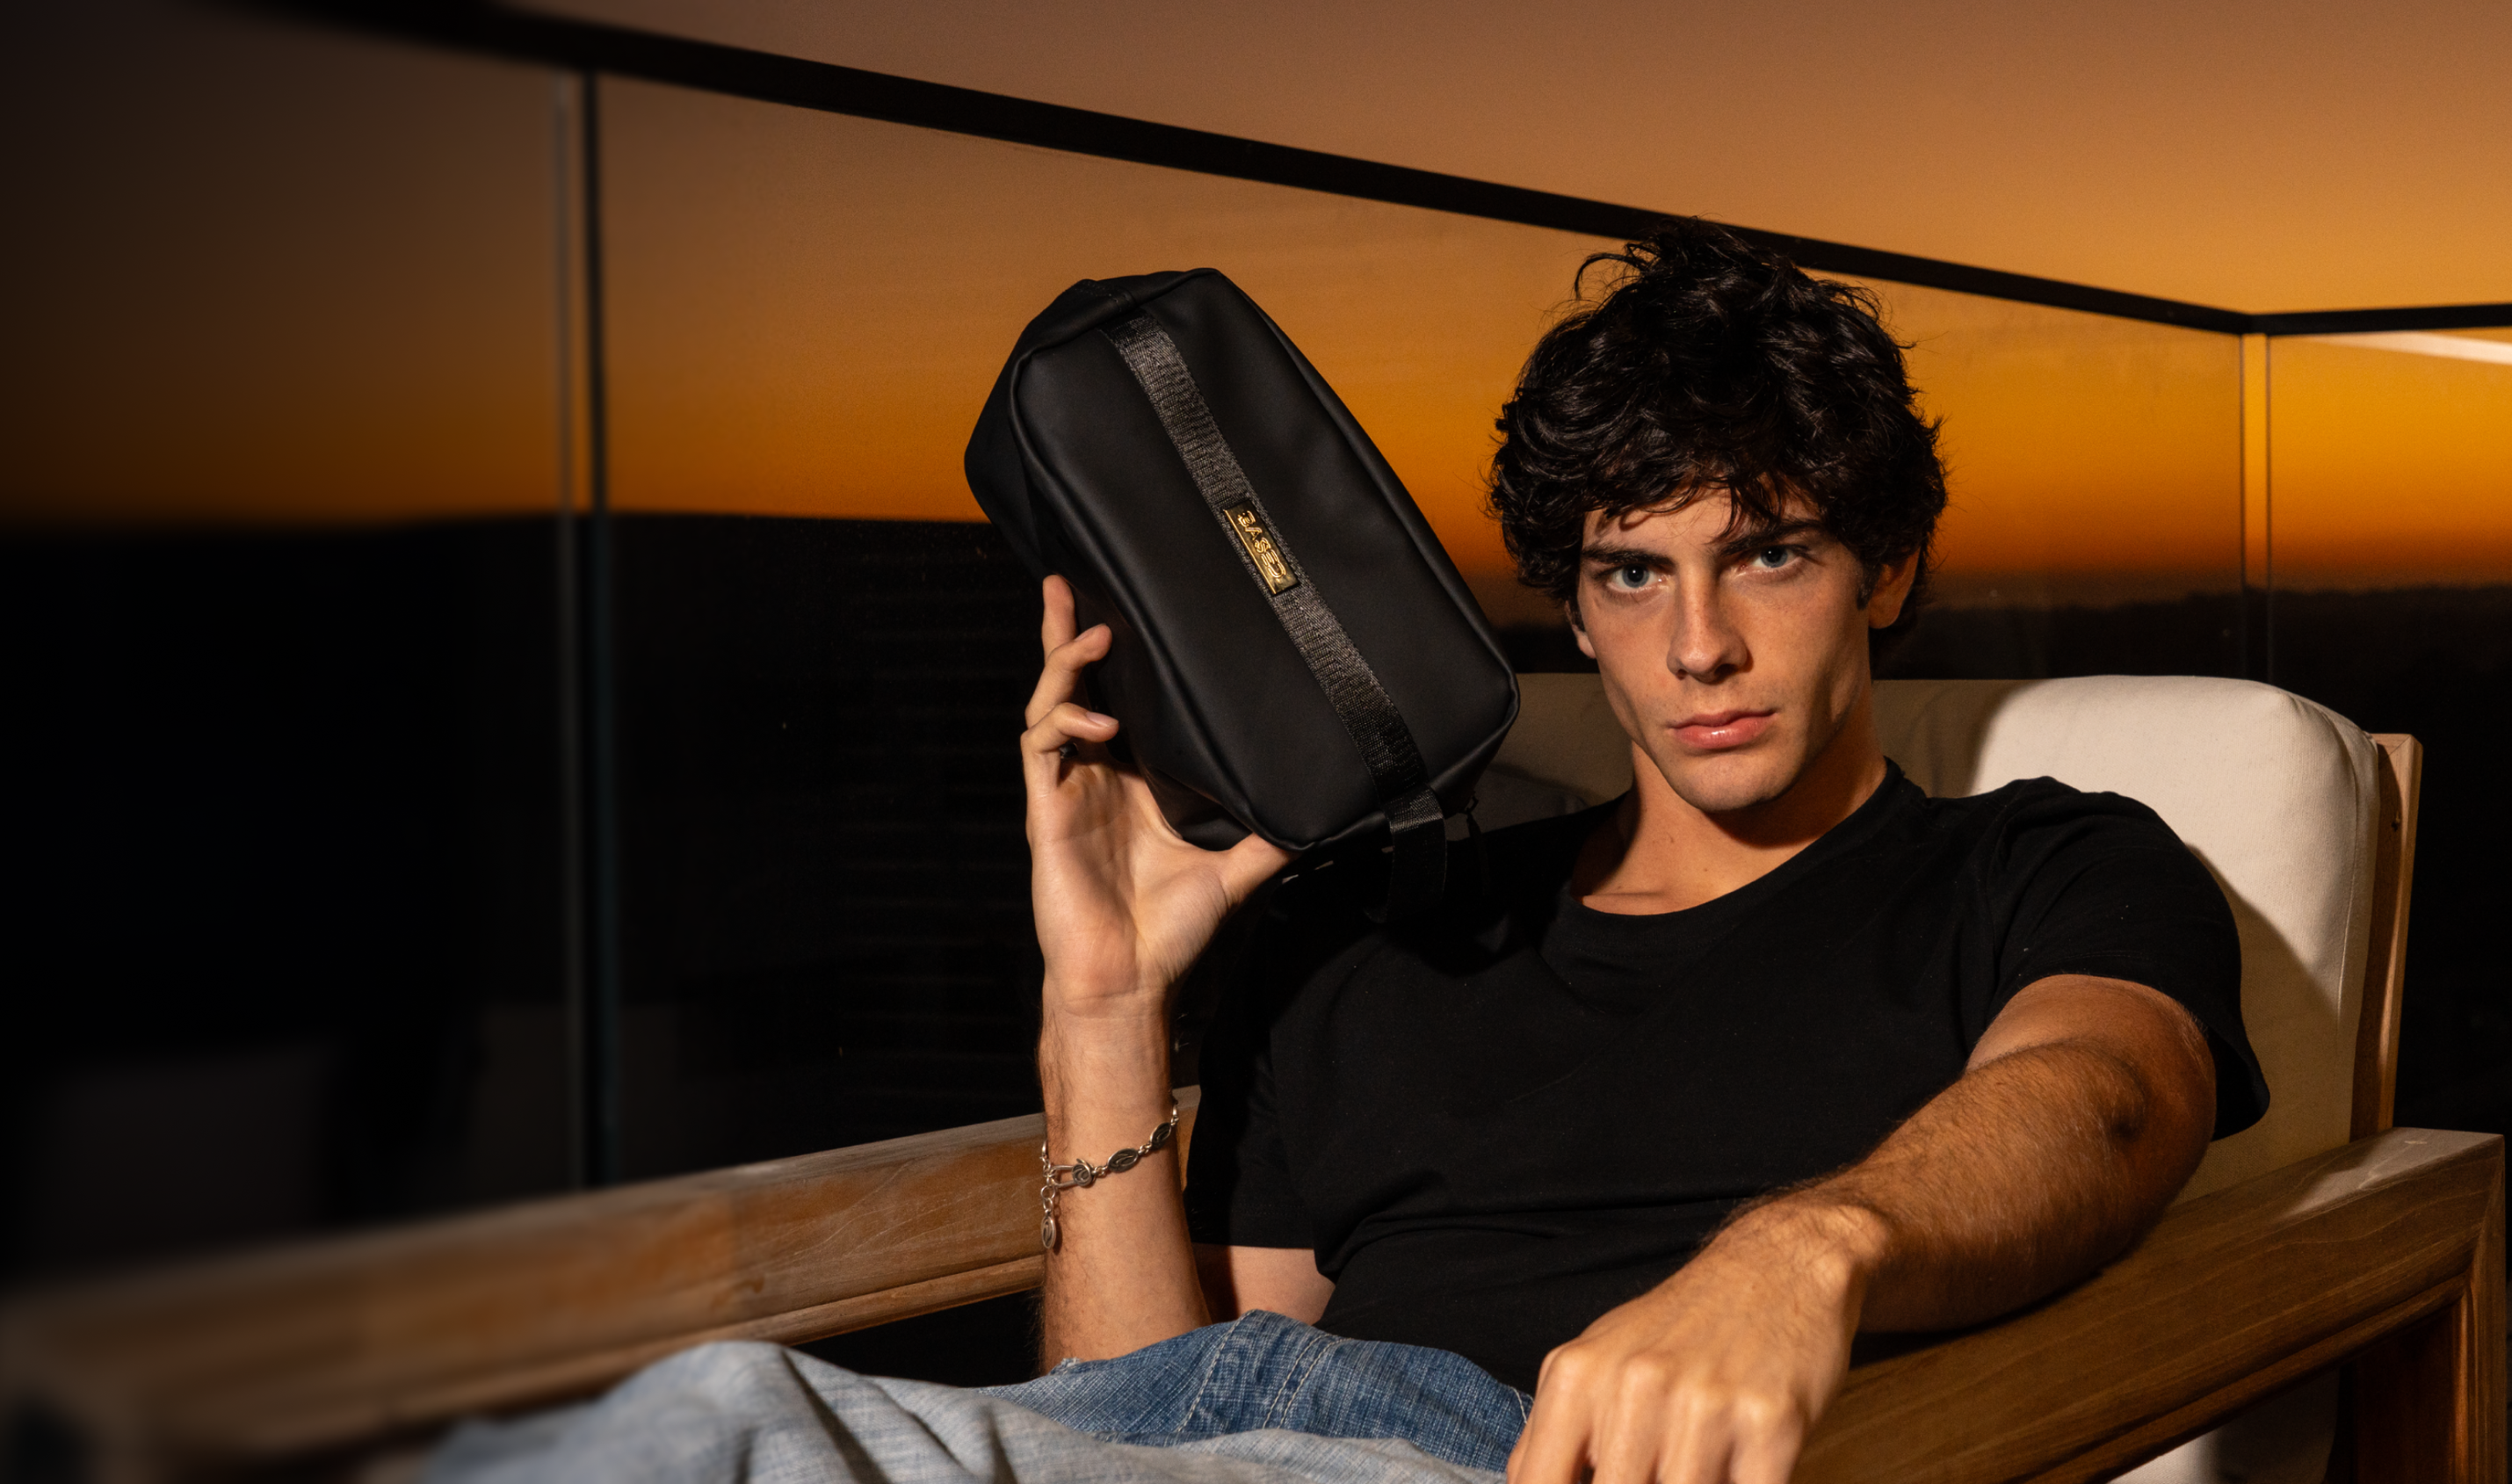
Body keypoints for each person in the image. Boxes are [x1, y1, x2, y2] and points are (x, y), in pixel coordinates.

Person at [430, 221, 2260, 1484]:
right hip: (1237, 1440)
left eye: (1767, 554)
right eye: (1634, 573)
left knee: (725, 1423)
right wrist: (1110, 999)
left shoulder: (2041, 868)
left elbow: (2105, 1095)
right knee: (707, 1417)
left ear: (1890, 570)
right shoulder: (1388, 923)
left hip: (1526, 1457)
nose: (1698, 644)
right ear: (1577, 605)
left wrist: (1805, 1259)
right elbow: (1140, 1406)